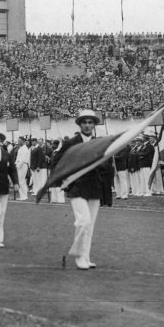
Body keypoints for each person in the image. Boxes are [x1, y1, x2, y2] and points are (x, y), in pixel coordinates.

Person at [51, 110, 102, 270]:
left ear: (94, 125)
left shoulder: (100, 143)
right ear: (80, 124)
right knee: (84, 221)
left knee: (90, 224)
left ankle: (86, 257)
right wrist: (63, 181)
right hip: (77, 187)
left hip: (94, 187)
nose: (87, 125)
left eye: (90, 122)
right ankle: (79, 256)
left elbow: (106, 165)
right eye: (84, 122)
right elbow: (56, 161)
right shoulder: (70, 143)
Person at [14, 136, 30, 201]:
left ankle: (24, 196)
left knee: (21, 181)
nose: (18, 142)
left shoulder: (25, 149)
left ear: (23, 141)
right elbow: (18, 157)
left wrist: (18, 166)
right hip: (19, 164)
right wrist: (15, 164)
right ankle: (22, 195)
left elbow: (23, 159)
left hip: (23, 165)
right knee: (20, 181)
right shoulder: (20, 148)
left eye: (19, 140)